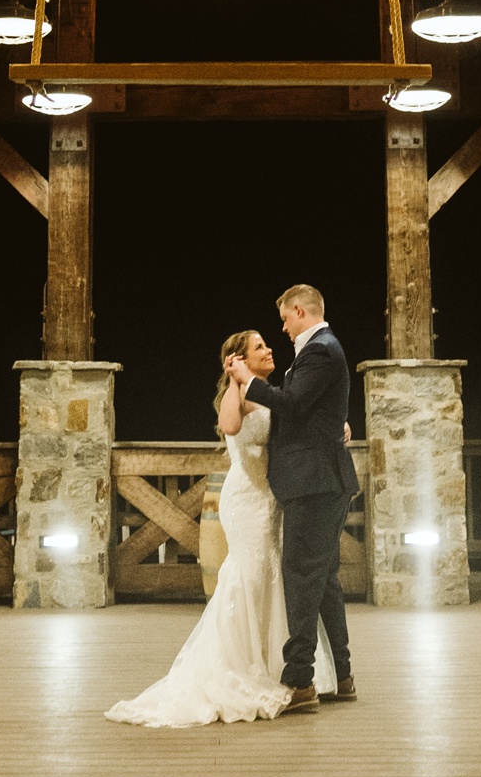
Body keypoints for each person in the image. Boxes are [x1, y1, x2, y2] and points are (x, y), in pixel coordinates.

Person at [104, 328, 338, 728]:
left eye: (266, 344)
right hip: (247, 500)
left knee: (273, 575)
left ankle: (282, 665)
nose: (268, 349)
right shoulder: (243, 393)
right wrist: (236, 380)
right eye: (259, 347)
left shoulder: (269, 390)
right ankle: (242, 665)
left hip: (272, 498)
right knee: (249, 574)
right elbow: (229, 426)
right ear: (240, 359)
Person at [227, 283, 359, 714]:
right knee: (322, 582)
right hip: (317, 480)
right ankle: (341, 675)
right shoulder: (321, 350)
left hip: (314, 484)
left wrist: (248, 381)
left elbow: (297, 404)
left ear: (299, 311)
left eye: (284, 319)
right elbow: (308, 412)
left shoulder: (320, 349)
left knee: (302, 577)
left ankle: (299, 679)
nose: (281, 328)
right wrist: (335, 425)